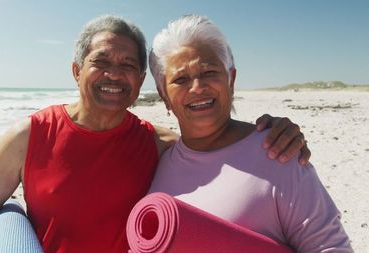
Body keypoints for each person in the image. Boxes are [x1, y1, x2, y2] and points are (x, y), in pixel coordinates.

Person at [0, 15, 311, 253]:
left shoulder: (160, 144)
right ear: (77, 70)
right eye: (102, 62)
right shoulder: (29, 136)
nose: (115, 74)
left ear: (141, 81)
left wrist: (274, 132)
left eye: (128, 66)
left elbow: (223, 148)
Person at [147, 15, 352, 252]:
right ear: (164, 96)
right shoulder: (160, 160)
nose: (198, 87)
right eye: (180, 79)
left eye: (209, 72)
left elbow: (331, 247)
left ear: (231, 79)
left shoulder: (278, 151)